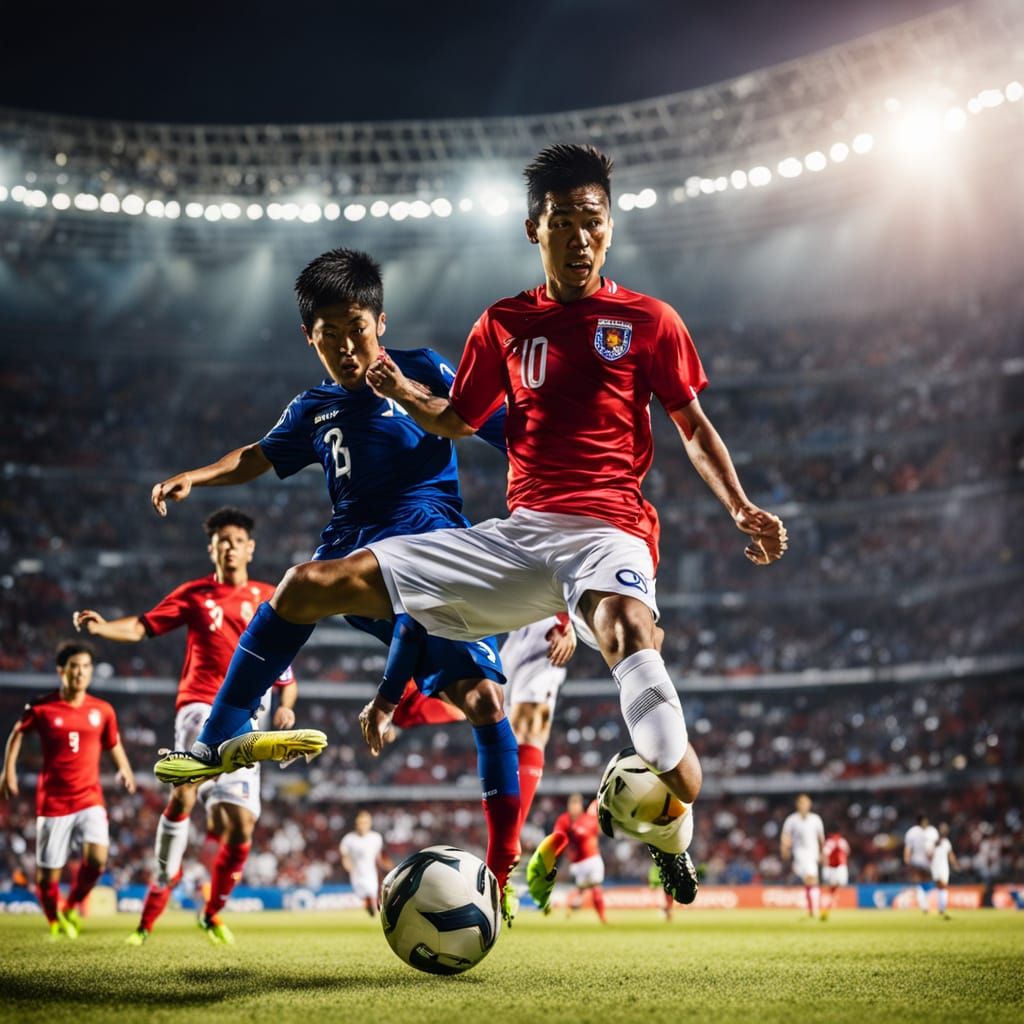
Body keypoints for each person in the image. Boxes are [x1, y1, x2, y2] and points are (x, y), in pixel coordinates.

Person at [156, 144, 788, 910]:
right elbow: (460, 419)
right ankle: (219, 738)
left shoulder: (649, 321)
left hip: (607, 530)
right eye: (564, 223)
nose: (580, 236)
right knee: (300, 585)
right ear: (535, 229)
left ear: (610, 229)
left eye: (593, 222)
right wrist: (403, 392)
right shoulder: (500, 325)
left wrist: (740, 506)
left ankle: (655, 828)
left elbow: (692, 427)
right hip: (518, 536)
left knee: (642, 683)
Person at [147, 249, 523, 911]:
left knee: (489, 704)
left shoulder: (423, 368)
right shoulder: (313, 407)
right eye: (331, 335)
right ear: (309, 337)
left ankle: (502, 870)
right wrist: (196, 477)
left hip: (431, 545)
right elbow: (259, 456)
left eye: (358, 328)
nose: (348, 347)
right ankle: (216, 741)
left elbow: (499, 427)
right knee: (297, 587)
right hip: (357, 550)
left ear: (381, 320)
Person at [73, 507, 298, 945]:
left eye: (237, 539)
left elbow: (286, 673)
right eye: (222, 540)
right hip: (200, 703)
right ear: (211, 548)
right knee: (185, 791)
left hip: (252, 710)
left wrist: (286, 707)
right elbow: (143, 627)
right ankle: (162, 883)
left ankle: (212, 913)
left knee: (241, 828)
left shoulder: (272, 599)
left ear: (250, 548)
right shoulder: (195, 594)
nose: (229, 547)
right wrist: (103, 629)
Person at [1, 642, 135, 939]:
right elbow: (16, 735)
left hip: (90, 796)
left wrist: (123, 768)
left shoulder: (102, 710)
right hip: (53, 802)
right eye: (74, 666)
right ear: (61, 670)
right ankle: (54, 918)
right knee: (48, 874)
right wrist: (7, 770)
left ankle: (72, 905)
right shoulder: (42, 707)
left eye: (86, 667)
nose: (80, 672)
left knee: (98, 860)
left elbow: (113, 743)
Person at [500, 613, 576, 830]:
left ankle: (507, 842)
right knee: (484, 713)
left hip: (545, 620)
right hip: (508, 621)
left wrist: (566, 621)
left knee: (527, 729)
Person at [531, 794, 607, 923]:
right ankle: (571, 906)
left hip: (594, 859)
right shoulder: (564, 820)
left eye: (576, 804)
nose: (574, 807)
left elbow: (599, 831)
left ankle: (602, 917)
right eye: (572, 804)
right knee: (583, 888)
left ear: (581, 805)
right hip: (578, 863)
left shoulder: (589, 819)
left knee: (596, 887)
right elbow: (558, 837)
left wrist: (600, 815)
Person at [781, 793, 825, 919]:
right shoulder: (791, 820)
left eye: (806, 802)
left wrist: (823, 853)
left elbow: (821, 838)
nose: (804, 805)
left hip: (813, 854)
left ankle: (813, 909)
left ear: (810, 804)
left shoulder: (816, 819)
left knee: (811, 879)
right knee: (809, 880)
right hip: (799, 854)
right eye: (801, 802)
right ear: (797, 805)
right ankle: (813, 909)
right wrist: (784, 849)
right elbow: (785, 836)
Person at [339, 809, 389, 916]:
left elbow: (378, 857)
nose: (362, 825)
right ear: (356, 823)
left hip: (371, 873)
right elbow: (345, 857)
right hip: (356, 873)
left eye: (365, 822)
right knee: (362, 894)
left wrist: (385, 866)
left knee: (371, 891)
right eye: (360, 823)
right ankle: (370, 906)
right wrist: (348, 867)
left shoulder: (376, 838)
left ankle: (373, 907)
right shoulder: (349, 839)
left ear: (369, 823)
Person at [903, 813, 939, 914]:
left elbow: (935, 846)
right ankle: (924, 904)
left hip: (929, 862)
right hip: (918, 861)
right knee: (921, 881)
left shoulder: (931, 831)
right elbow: (908, 848)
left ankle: (924, 902)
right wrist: (907, 859)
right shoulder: (914, 832)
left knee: (926, 882)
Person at [930, 822, 959, 919]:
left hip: (944, 867)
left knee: (942, 887)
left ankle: (941, 908)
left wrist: (955, 864)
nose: (944, 831)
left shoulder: (946, 842)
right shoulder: (934, 841)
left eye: (946, 829)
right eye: (943, 829)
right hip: (934, 867)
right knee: (940, 887)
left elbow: (950, 854)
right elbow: (929, 853)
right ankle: (939, 907)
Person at [820, 829, 851, 921]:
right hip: (841, 867)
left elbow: (825, 854)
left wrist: (825, 867)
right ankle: (830, 906)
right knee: (840, 885)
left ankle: (827, 906)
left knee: (832, 887)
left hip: (832, 868)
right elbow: (848, 851)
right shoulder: (842, 841)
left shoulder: (830, 842)